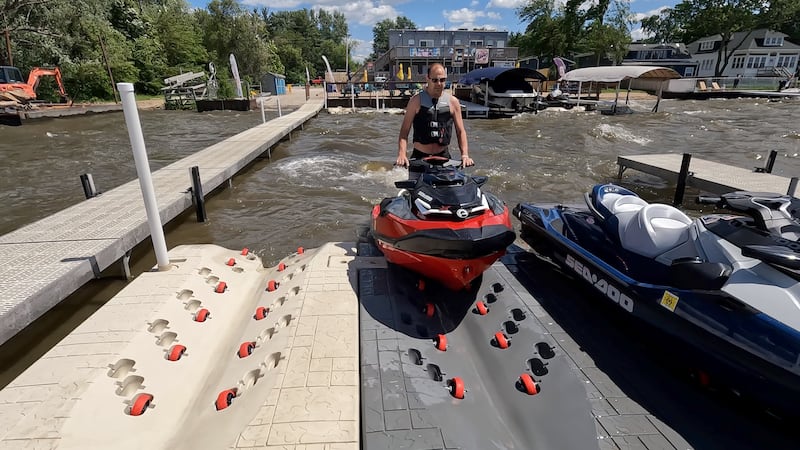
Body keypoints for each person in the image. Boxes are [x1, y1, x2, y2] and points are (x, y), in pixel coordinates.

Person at [396, 63, 472, 168]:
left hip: (443, 156)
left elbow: (461, 131)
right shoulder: (416, 101)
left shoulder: (453, 102)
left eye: (442, 80)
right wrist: (402, 154)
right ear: (427, 78)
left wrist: (465, 155)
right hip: (420, 157)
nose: (439, 84)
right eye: (435, 80)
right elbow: (404, 132)